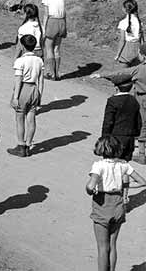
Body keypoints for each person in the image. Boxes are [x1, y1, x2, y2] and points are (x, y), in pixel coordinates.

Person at [88, 136, 146, 271]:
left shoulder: (98, 165)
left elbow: (90, 187)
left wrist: (92, 189)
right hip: (118, 205)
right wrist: (123, 186)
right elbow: (142, 181)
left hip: (102, 205)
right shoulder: (124, 165)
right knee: (113, 245)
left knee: (103, 247)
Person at [8, 34, 44, 157]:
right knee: (31, 118)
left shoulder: (20, 61)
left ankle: (20, 145)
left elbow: (18, 80)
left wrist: (15, 97)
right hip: (34, 88)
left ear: (22, 46)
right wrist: (39, 95)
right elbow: (41, 80)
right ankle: (28, 144)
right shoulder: (39, 60)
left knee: (19, 119)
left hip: (23, 88)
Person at [102, 73, 142, 161]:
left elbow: (108, 121)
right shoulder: (134, 100)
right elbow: (138, 120)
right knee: (124, 165)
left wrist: (104, 137)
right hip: (129, 138)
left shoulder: (112, 101)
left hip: (114, 138)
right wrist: (135, 135)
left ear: (116, 88)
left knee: (111, 163)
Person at [40, 0, 67, 80]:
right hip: (61, 22)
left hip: (52, 22)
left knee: (49, 48)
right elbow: (64, 13)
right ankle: (57, 72)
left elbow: (46, 14)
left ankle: (51, 73)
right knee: (57, 49)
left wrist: (43, 27)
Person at [115, 0, 143, 66]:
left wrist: (118, 54)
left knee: (123, 72)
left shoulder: (123, 23)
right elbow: (142, 39)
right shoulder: (139, 22)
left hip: (127, 49)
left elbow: (122, 40)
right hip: (138, 49)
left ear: (125, 9)